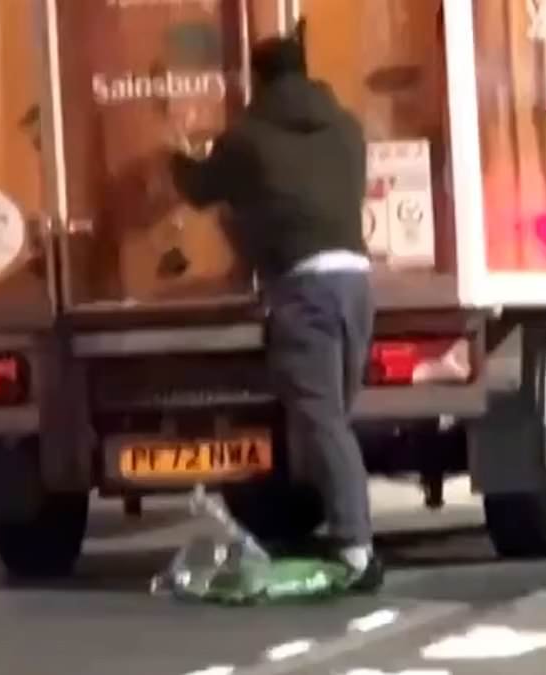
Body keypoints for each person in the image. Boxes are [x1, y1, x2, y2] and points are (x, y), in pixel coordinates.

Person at [168, 30, 380, 591]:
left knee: (323, 423)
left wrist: (171, 157)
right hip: (356, 282)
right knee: (334, 419)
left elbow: (200, 189)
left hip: (304, 289)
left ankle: (356, 549)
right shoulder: (347, 129)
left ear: (258, 80)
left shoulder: (248, 138)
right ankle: (338, 528)